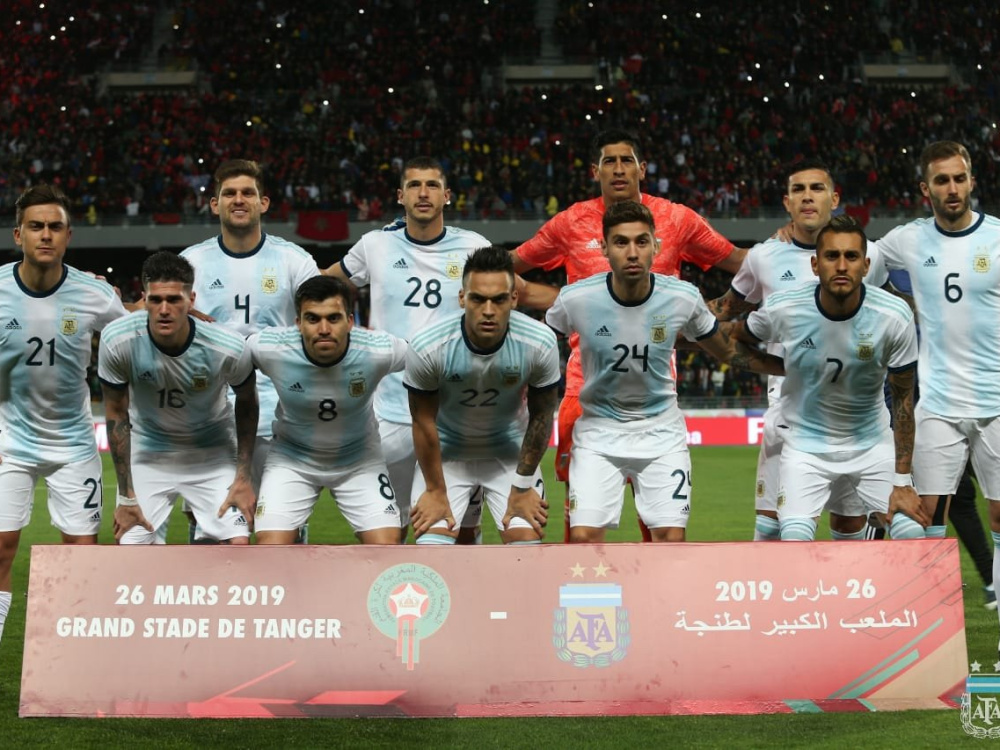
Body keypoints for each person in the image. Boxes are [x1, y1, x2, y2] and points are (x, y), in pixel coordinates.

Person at [511, 129, 746, 542]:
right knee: (580, 525)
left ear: (642, 169)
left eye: (626, 161)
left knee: (659, 527)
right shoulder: (570, 222)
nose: (618, 169)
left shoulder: (677, 219)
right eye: (609, 161)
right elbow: (507, 269)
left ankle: (655, 584)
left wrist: (786, 254)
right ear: (595, 171)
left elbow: (741, 263)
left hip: (653, 390)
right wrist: (559, 297)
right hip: (583, 390)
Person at [544, 201, 780, 543]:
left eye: (641, 241)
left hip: (662, 435)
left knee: (670, 539)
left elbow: (727, 351)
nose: (632, 252)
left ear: (655, 247)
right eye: (621, 242)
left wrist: (787, 369)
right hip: (598, 433)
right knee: (583, 537)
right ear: (605, 248)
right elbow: (541, 343)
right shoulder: (576, 299)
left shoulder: (682, 298)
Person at [324, 157, 511, 543]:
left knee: (460, 530)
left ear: (447, 195)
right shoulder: (375, 245)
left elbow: (507, 295)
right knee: (386, 534)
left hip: (454, 415)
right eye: (414, 185)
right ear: (400, 196)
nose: (423, 193)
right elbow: (322, 285)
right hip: (389, 413)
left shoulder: (474, 246)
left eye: (432, 185)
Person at [708, 159, 889, 541]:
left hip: (852, 414)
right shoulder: (764, 257)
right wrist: (666, 321)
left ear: (834, 199)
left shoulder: (868, 256)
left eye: (817, 188)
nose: (808, 196)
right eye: (798, 190)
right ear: (787, 202)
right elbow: (724, 312)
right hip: (789, 410)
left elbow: (889, 318)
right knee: (771, 524)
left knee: (848, 524)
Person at [733, 215, 930, 541]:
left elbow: (903, 404)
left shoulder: (893, 316)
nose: (841, 265)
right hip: (805, 448)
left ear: (866, 266)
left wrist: (903, 482)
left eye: (851, 256)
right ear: (815, 265)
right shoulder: (785, 308)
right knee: (793, 540)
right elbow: (733, 338)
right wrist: (780, 365)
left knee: (911, 534)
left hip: (873, 445)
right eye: (831, 256)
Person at [875, 141, 1000, 632]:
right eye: (942, 180)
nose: (952, 188)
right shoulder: (907, 240)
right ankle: (926, 635)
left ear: (972, 182)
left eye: (959, 178)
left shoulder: (997, 237)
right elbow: (856, 265)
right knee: (923, 517)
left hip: (996, 403)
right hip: (938, 406)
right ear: (924, 188)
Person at [0, 184, 128, 645]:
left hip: (74, 446)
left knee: (81, 554)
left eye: (55, 226)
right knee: (1, 548)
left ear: (68, 236)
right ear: (19, 234)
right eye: (36, 226)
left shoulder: (94, 294)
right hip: (9, 444)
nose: (46, 234)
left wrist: (173, 310)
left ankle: (73, 657)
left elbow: (133, 333)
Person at [181, 160, 319, 543]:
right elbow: (158, 315)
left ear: (264, 203)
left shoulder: (294, 261)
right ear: (214, 204)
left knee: (281, 531)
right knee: (211, 531)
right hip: (211, 415)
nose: (238, 200)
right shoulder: (191, 262)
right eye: (229, 193)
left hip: (280, 415)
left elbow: (323, 322)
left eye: (247, 193)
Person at [98, 252, 258, 544]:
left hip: (212, 452)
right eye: (155, 300)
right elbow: (116, 413)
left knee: (238, 543)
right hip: (150, 452)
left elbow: (247, 404)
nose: (164, 309)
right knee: (130, 548)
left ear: (191, 300)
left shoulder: (227, 347)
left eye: (174, 300)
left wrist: (243, 477)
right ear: (144, 299)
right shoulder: (118, 340)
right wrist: (126, 497)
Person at [404, 246, 560, 544]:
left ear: (514, 299)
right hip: (448, 455)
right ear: (462, 298)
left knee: (525, 547)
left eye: (499, 299)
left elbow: (542, 416)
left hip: (510, 455)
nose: (488, 310)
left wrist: (522, 487)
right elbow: (422, 421)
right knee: (431, 549)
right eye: (478, 299)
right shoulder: (428, 346)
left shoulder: (539, 342)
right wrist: (435, 490)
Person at [249, 276, 406, 544]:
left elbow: (432, 360)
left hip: (359, 460)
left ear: (350, 321)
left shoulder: (379, 350)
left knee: (387, 547)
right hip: (292, 460)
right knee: (270, 549)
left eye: (333, 318)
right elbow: (221, 354)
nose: (323, 329)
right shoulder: (269, 348)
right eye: (312, 319)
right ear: (298, 323)